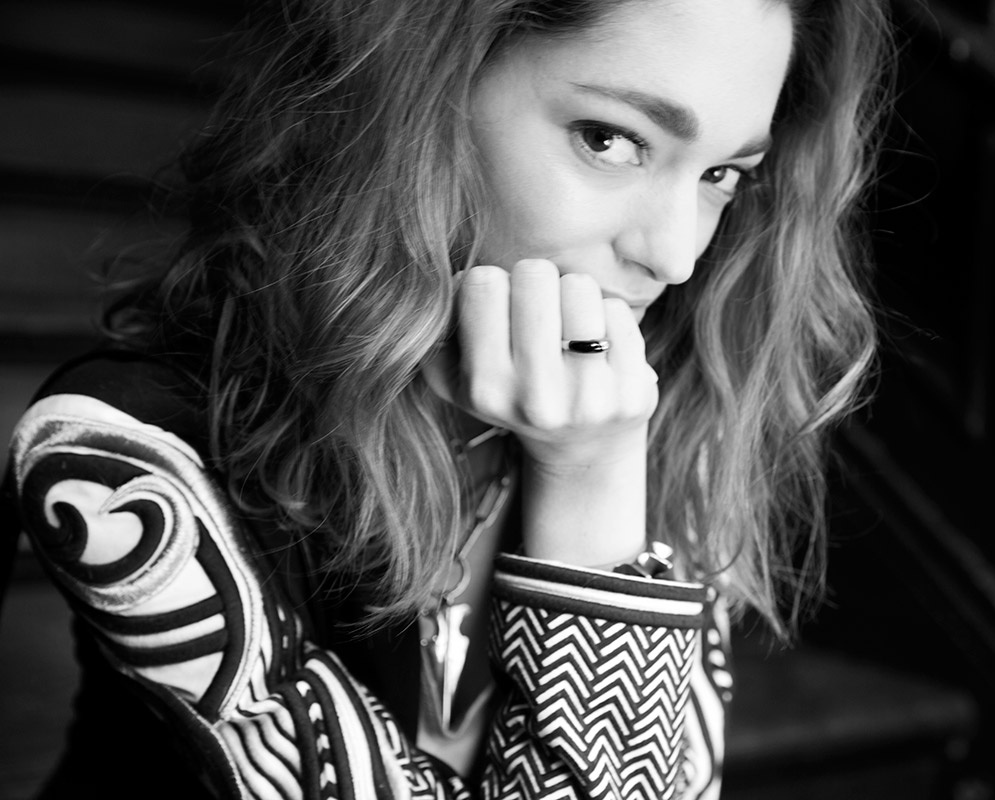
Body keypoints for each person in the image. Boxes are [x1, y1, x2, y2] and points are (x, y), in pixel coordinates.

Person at [2, 0, 891, 796]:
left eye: (722, 176)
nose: (675, 256)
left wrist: (593, 478)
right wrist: (590, 490)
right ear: (426, 95)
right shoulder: (118, 460)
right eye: (609, 139)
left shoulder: (647, 413)